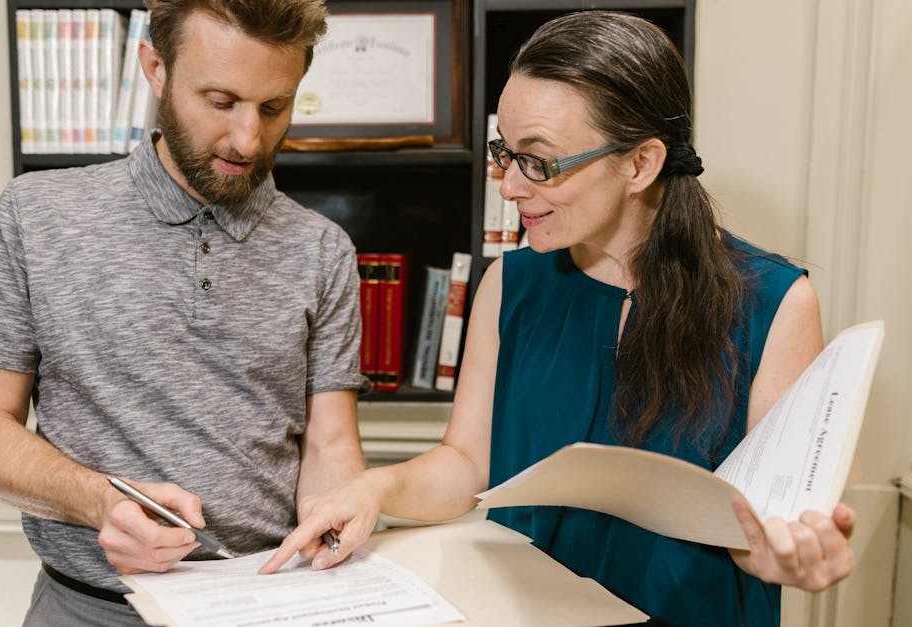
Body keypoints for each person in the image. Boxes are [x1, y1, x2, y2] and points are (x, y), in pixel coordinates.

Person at [261, 11, 856, 626]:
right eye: (506, 154)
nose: (513, 187)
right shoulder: (508, 285)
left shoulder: (774, 302)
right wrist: (375, 489)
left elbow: (760, 532)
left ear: (641, 164)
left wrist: (789, 556)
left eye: (539, 162)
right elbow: (466, 465)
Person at [0, 0, 367, 624]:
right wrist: (97, 501)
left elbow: (331, 443)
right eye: (220, 102)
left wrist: (337, 523)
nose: (248, 139)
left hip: (272, 602)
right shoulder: (35, 215)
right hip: (86, 608)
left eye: (273, 107)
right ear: (154, 67)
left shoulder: (323, 249)